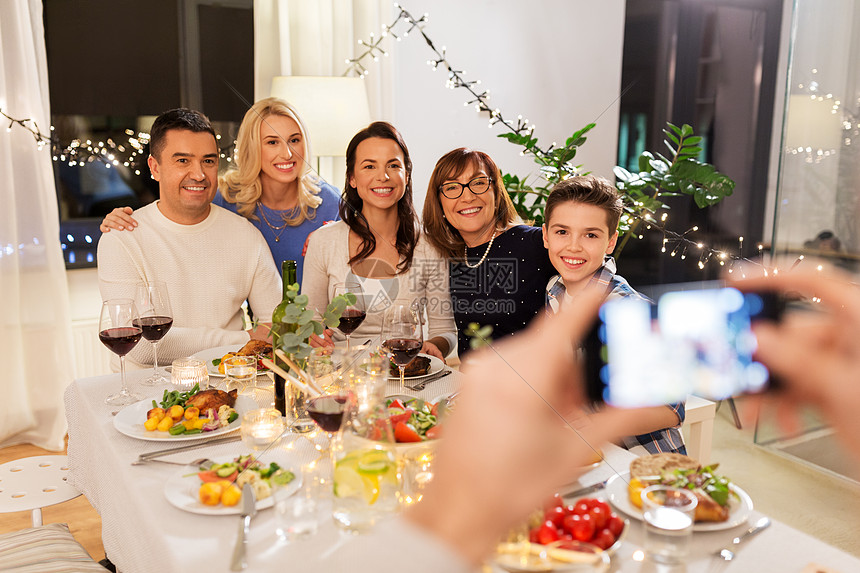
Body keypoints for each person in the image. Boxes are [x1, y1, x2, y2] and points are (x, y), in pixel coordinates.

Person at [97, 108, 281, 369]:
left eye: (208, 161)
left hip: (229, 379)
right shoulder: (122, 237)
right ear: (155, 167)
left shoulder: (246, 235)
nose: (198, 174)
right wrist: (245, 338)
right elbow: (140, 345)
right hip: (148, 392)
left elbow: (276, 323)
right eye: (183, 161)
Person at [99, 97, 340, 284]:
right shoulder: (225, 199)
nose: (287, 154)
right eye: (272, 142)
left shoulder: (329, 203)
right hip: (268, 332)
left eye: (294, 140)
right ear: (253, 148)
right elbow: (175, 218)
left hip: (324, 330)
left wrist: (337, 240)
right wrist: (126, 222)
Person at [542, 175, 686, 455]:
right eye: (562, 232)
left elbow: (672, 410)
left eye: (591, 235)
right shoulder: (554, 291)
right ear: (546, 235)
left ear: (611, 241)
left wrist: (597, 423)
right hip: (586, 450)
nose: (573, 246)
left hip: (643, 464)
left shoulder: (628, 311)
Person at [302, 122, 456, 361]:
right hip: (340, 375)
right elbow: (310, 320)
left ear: (406, 175)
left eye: (393, 165)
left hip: (404, 372)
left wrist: (435, 345)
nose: (383, 176)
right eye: (369, 166)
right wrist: (312, 335)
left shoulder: (430, 247)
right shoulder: (323, 242)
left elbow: (445, 330)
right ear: (352, 178)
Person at [422, 148, 555, 358]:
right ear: (439, 203)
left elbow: (600, 280)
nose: (467, 196)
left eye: (478, 183)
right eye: (452, 187)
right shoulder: (451, 253)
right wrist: (436, 346)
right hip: (469, 385)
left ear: (495, 191)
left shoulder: (536, 243)